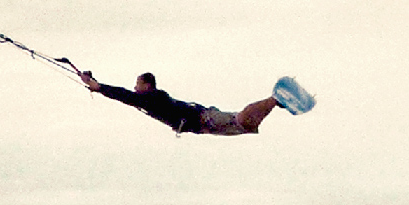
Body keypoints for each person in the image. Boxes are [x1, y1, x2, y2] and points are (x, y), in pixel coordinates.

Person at [78, 68, 285, 137]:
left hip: (204, 118)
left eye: (137, 85)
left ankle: (275, 99)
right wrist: (96, 83)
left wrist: (99, 87)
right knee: (248, 126)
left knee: (240, 119)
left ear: (147, 85)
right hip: (202, 125)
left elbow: (125, 96)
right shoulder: (151, 98)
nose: (135, 88)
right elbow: (127, 95)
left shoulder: (153, 98)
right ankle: (276, 102)